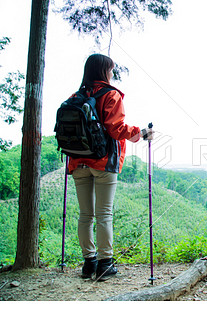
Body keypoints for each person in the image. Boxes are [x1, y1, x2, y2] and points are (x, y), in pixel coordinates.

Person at [67, 53, 153, 281]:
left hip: (77, 161)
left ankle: (89, 264)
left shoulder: (76, 96)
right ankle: (105, 265)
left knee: (85, 215)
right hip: (103, 162)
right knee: (104, 213)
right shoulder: (111, 94)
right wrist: (141, 133)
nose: (112, 73)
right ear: (104, 71)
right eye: (111, 69)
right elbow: (116, 129)